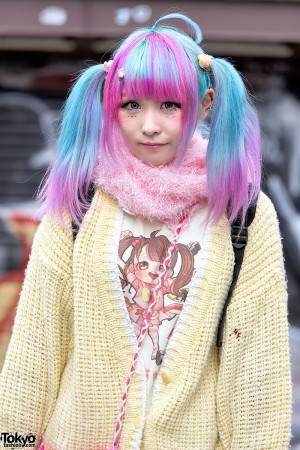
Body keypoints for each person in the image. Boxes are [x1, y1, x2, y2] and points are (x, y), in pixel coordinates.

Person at [0, 13, 292, 450]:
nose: (149, 125)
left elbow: (257, 363)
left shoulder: (242, 212)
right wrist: (13, 443)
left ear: (206, 104)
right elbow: (35, 350)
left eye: (169, 105)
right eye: (131, 105)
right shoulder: (81, 202)